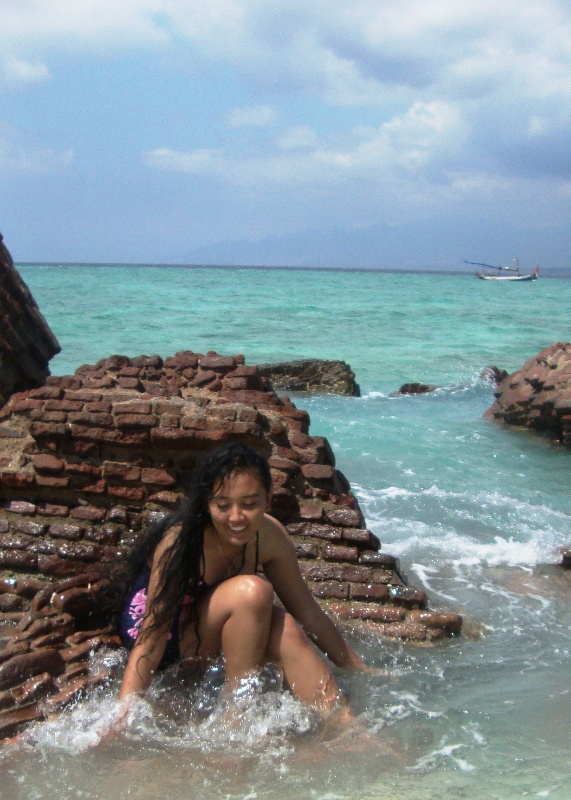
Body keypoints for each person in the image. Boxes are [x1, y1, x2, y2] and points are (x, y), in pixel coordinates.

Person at [116, 442, 368, 715]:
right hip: (161, 635)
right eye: (223, 505)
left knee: (285, 627)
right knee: (253, 593)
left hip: (214, 623)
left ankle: (345, 724)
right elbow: (151, 638)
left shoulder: (270, 536)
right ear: (207, 504)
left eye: (249, 504)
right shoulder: (180, 542)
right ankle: (236, 715)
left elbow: (307, 612)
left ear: (267, 500)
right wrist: (123, 714)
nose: (236, 518)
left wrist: (358, 668)